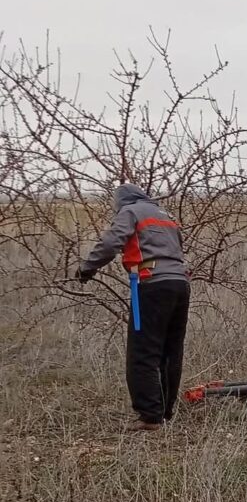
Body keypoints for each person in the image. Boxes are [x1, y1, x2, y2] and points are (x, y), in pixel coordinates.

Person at [78, 183, 191, 431]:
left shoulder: (129, 212)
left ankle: (150, 416)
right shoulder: (165, 215)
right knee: (171, 351)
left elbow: (110, 244)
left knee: (143, 351)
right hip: (180, 284)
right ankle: (165, 410)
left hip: (151, 285)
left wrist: (86, 268)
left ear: (122, 201)